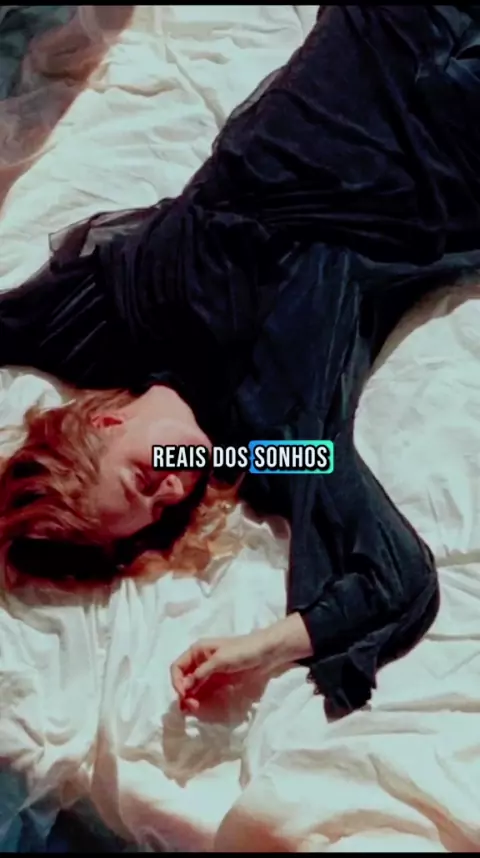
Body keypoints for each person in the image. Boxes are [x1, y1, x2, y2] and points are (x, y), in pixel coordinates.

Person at [1, 5, 480, 718]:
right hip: (446, 148)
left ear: (102, 424)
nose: (171, 489)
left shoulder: (105, 321)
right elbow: (395, 578)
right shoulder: (264, 449)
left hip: (371, 46)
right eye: (157, 513)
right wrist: (264, 647)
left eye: (141, 479)